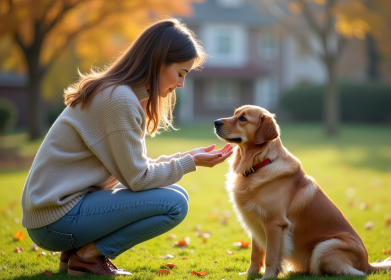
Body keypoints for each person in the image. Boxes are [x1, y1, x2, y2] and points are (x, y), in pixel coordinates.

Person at [21, 18, 233, 276]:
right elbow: (138, 179)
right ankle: (87, 257)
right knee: (175, 204)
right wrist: (190, 163)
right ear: (158, 61)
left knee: (178, 195)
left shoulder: (119, 94)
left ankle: (75, 256)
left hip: (56, 214)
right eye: (180, 73)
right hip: (54, 220)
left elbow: (133, 169)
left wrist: (187, 157)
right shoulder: (118, 100)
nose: (180, 84)